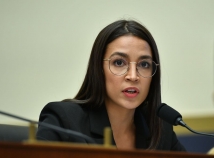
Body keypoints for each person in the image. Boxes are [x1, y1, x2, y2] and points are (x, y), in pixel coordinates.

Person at [36, 19, 186, 151]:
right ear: (99, 69)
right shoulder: (63, 121)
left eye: (144, 64)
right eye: (119, 62)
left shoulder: (160, 128)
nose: (133, 76)